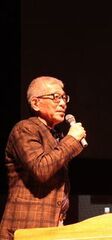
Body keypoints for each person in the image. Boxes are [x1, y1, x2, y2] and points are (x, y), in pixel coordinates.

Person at [0, 76, 87, 239]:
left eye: (64, 97)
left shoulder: (54, 136)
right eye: (55, 97)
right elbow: (41, 169)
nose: (62, 103)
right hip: (25, 231)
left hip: (49, 231)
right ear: (35, 103)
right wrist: (72, 140)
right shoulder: (24, 129)